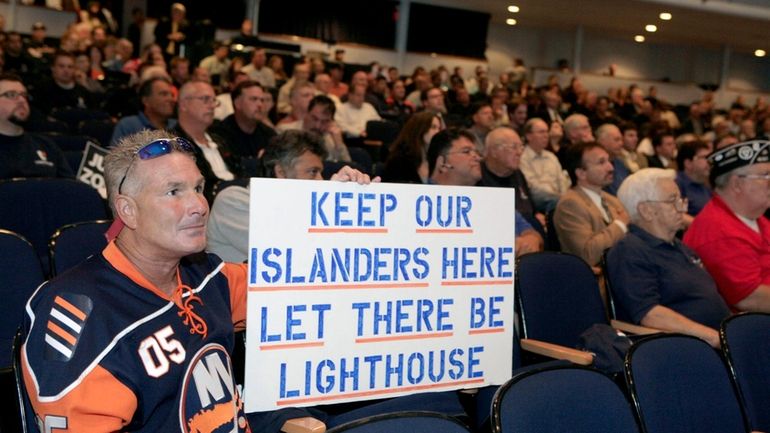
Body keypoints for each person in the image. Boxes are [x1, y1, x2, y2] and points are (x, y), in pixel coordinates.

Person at [207, 129, 374, 262]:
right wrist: (329, 205)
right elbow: (297, 254)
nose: (321, 180)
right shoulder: (233, 201)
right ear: (280, 171)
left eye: (321, 173)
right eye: (313, 172)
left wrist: (350, 202)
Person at [608, 168, 730, 348]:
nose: (682, 208)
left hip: (717, 340)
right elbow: (650, 314)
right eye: (673, 201)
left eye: (681, 200)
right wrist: (714, 338)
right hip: (685, 348)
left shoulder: (679, 246)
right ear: (646, 210)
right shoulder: (629, 250)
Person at [684, 140, 770, 312]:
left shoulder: (751, 216)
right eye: (765, 176)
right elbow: (749, 298)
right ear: (737, 184)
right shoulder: (718, 231)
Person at [427, 128, 542, 256]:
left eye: (476, 152)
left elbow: (530, 231)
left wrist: (531, 240)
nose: (477, 157)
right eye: (467, 152)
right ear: (443, 163)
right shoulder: (417, 202)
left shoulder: (490, 199)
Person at [554, 141, 630, 268]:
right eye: (601, 162)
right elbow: (588, 254)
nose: (610, 167)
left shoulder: (612, 200)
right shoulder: (570, 204)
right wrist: (620, 224)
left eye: (608, 161)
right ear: (581, 173)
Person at [0, 73, 73, 178]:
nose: (21, 100)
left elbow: (70, 189)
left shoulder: (46, 145)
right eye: (11, 95)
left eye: (23, 95)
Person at [480, 127, 545, 232]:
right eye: (514, 147)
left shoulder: (517, 174)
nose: (519, 152)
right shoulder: (477, 177)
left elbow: (531, 208)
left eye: (521, 147)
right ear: (494, 151)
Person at [211, 80, 276, 175]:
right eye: (254, 99)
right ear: (237, 103)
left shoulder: (269, 135)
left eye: (262, 100)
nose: (260, 105)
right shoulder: (219, 133)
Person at [519, 118, 571, 212]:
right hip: (537, 201)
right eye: (541, 132)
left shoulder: (551, 156)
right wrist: (560, 197)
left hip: (559, 200)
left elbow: (562, 180)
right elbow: (532, 187)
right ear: (528, 136)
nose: (546, 135)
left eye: (547, 132)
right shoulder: (522, 158)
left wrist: (564, 196)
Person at [111, 77, 177, 145]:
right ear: (145, 101)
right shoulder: (128, 125)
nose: (171, 99)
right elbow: (116, 154)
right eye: (164, 94)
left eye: (172, 95)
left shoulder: (177, 125)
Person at [675, 140, 712, 218]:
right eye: (704, 157)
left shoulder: (705, 182)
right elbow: (677, 216)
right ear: (688, 163)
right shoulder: (677, 185)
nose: (710, 161)